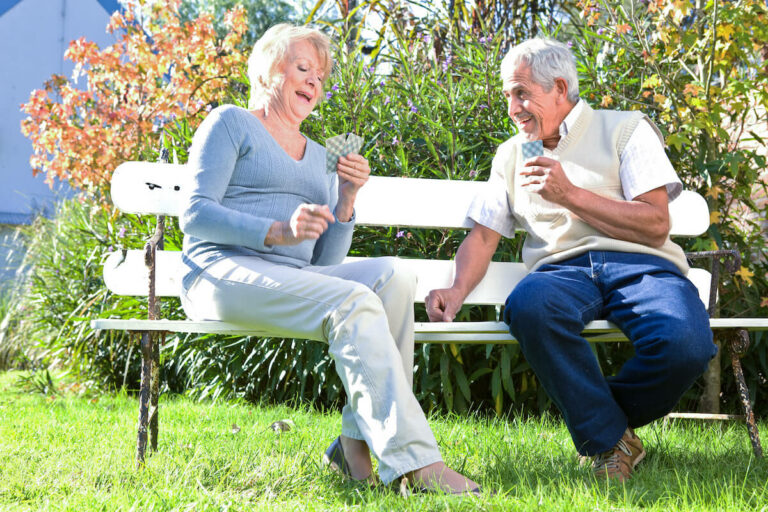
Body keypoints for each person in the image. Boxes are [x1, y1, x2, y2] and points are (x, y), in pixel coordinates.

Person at [179, 24, 479, 495]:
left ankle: (353, 448)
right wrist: (276, 231)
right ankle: (416, 463)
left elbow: (323, 261)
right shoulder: (231, 122)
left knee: (395, 277)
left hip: (290, 277)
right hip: (222, 274)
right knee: (351, 303)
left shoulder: (321, 157)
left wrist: (346, 201)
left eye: (320, 76)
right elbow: (194, 215)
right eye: (303, 69)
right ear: (269, 72)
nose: (313, 83)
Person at [426, 38, 717, 482]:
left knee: (686, 346)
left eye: (521, 93)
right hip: (562, 273)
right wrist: (456, 289)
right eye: (508, 95)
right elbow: (485, 235)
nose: (512, 108)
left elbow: (656, 223)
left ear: (560, 87)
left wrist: (570, 195)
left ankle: (603, 429)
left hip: (642, 266)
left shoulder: (624, 130)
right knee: (529, 307)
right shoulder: (512, 154)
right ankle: (611, 439)